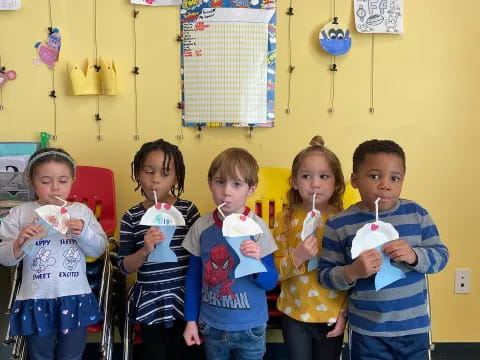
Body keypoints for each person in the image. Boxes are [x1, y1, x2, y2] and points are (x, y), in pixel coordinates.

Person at [318, 139, 449, 360]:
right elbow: (325, 275)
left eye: (394, 178)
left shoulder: (417, 215)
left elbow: (441, 256)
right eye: (374, 176)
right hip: (367, 332)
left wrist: (414, 255)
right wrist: (352, 272)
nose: (385, 185)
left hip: (414, 329)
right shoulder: (339, 225)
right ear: (355, 180)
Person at [0, 148, 107, 360]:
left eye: (63, 181)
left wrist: (83, 233)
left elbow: (98, 249)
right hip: (36, 298)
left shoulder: (81, 211)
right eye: (46, 181)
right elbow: (6, 259)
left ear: (73, 180)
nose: (55, 188)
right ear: (30, 180)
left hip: (74, 297)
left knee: (72, 355)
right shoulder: (21, 213)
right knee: (39, 355)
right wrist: (21, 242)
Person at [182, 147, 279, 360]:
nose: (227, 191)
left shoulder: (258, 228)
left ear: (251, 188)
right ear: (210, 183)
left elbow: (270, 281)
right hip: (212, 325)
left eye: (237, 184)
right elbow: (193, 277)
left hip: (251, 326)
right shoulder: (201, 227)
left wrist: (256, 263)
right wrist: (190, 320)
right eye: (219, 182)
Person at [118, 139, 202, 360]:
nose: (155, 179)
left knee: (183, 351)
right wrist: (145, 249)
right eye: (149, 171)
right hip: (150, 300)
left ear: (176, 177)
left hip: (183, 296)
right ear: (138, 174)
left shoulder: (188, 210)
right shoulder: (131, 217)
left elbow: (199, 255)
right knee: (154, 353)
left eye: (165, 173)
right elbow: (124, 267)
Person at [273, 136, 347, 360]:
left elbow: (351, 271)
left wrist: (345, 312)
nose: (315, 184)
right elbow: (274, 271)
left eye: (324, 176)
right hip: (294, 314)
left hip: (332, 314)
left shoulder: (343, 221)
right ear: (295, 182)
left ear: (336, 183)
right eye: (306, 176)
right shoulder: (285, 219)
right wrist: (298, 256)